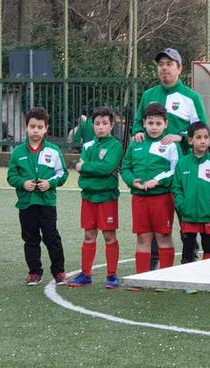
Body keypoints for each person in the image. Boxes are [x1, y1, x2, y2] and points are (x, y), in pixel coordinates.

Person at [7, 107, 68, 286]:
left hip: (47, 202)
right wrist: (22, 183)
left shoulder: (54, 150)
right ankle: (34, 272)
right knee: (30, 238)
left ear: (46, 128)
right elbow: (12, 176)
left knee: (51, 237)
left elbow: (62, 173)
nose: (36, 130)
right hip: (26, 204)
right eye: (32, 126)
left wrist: (51, 183)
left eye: (40, 127)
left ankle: (59, 271)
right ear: (26, 127)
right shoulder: (18, 152)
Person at [121, 103, 181, 284]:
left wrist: (158, 181)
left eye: (158, 123)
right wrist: (133, 181)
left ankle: (165, 280)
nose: (154, 127)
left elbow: (175, 170)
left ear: (165, 124)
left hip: (162, 198)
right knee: (142, 237)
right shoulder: (136, 144)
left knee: (163, 236)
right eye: (150, 123)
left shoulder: (170, 145)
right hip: (139, 198)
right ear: (144, 124)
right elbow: (125, 168)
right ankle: (141, 279)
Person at [68, 107, 124, 289]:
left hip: (107, 197)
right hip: (88, 196)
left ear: (112, 125)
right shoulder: (87, 145)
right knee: (89, 235)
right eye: (97, 123)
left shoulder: (115, 145)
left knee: (109, 235)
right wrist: (90, 168)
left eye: (105, 123)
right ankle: (86, 274)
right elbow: (87, 169)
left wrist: (85, 167)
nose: (101, 127)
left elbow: (107, 168)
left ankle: (112, 275)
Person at [172, 122, 210, 275]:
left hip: (207, 214)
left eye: (206, 137)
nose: (203, 141)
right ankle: (188, 278)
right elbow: (176, 187)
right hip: (188, 214)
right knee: (188, 246)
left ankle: (208, 276)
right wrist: (181, 204)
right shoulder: (183, 163)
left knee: (208, 245)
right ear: (190, 141)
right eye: (198, 137)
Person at [132, 48, 207, 154]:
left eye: (169, 64)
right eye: (160, 64)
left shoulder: (192, 98)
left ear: (179, 68)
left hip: (180, 160)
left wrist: (181, 137)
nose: (164, 68)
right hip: (149, 160)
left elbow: (202, 129)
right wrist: (138, 131)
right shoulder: (148, 95)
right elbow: (138, 121)